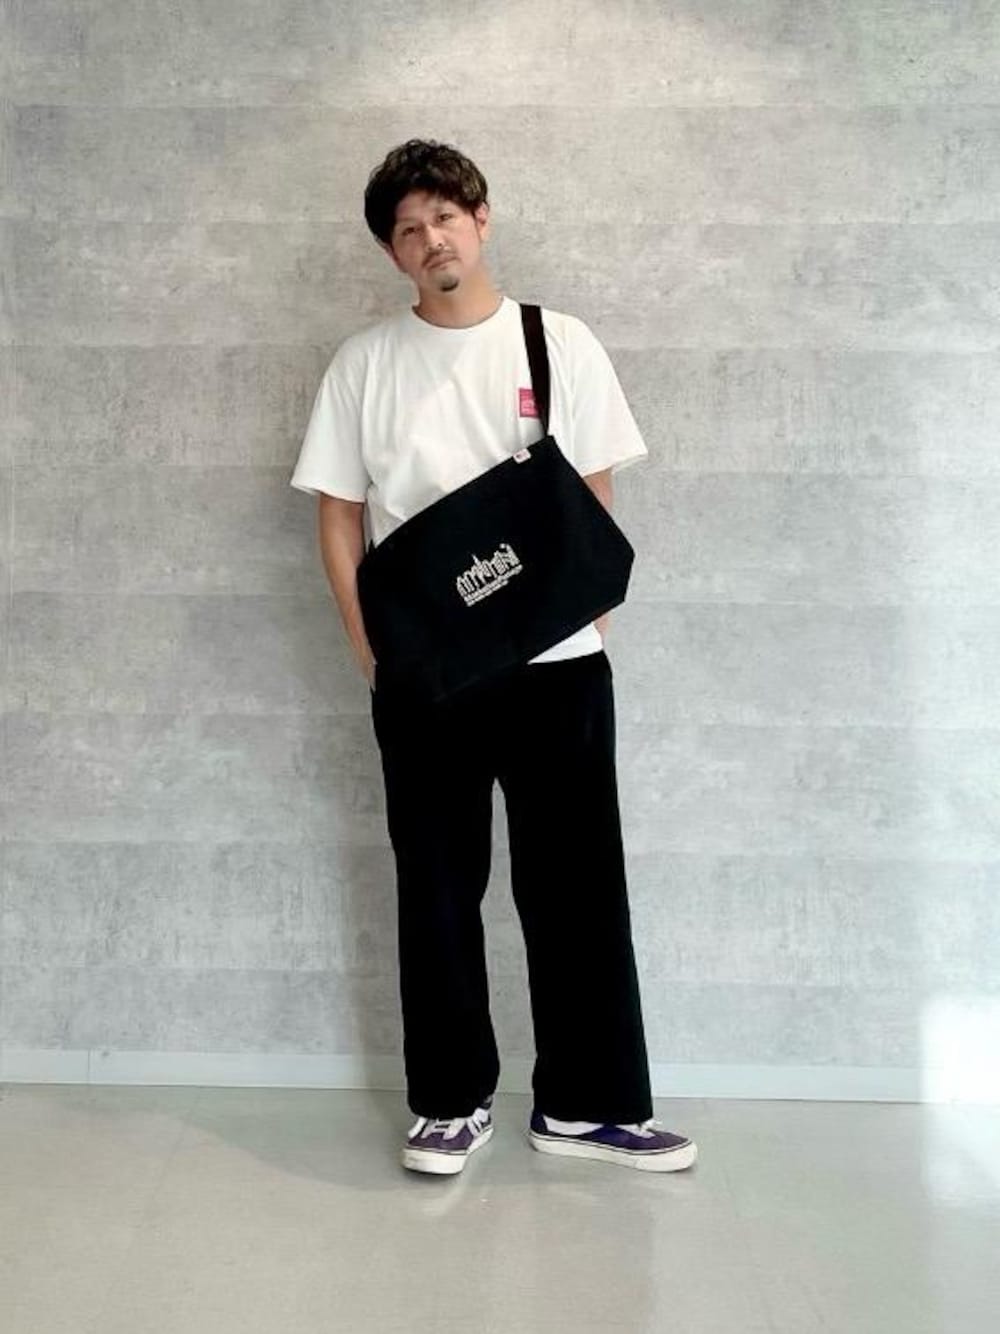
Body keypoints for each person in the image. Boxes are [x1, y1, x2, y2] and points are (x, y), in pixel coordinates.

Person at [290, 139, 697, 1177]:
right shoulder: (364, 364)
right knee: (436, 884)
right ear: (393, 253)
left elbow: (592, 487)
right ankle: (448, 1101)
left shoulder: (556, 342)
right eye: (408, 229)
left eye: (445, 216)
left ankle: (587, 1106)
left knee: (577, 886)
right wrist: (367, 646)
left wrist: (587, 619)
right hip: (424, 674)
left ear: (481, 219)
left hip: (558, 666)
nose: (431, 239)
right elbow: (338, 514)